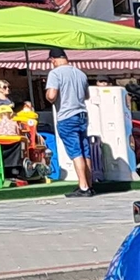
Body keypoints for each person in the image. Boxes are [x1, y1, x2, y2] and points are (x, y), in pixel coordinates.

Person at [44, 47, 93, 194]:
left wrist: (48, 96)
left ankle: (83, 186)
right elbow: (86, 96)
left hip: (66, 116)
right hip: (82, 114)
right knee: (85, 150)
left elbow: (52, 96)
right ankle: (90, 184)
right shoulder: (80, 73)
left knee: (75, 151)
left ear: (53, 59)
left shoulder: (55, 73)